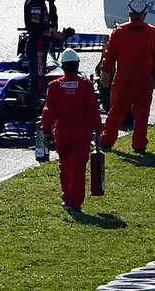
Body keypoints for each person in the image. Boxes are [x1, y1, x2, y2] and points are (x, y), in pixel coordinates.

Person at [98, 0, 155, 153]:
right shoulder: (153, 32)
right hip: (144, 78)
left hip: (123, 77)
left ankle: (107, 142)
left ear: (129, 13)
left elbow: (109, 56)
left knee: (116, 111)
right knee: (141, 114)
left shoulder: (119, 31)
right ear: (144, 14)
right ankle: (139, 145)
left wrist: (104, 76)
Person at [40, 48, 102, 214]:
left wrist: (46, 131)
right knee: (78, 168)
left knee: (65, 165)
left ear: (63, 66)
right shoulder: (85, 85)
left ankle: (67, 198)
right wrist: (98, 131)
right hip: (81, 132)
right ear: (77, 65)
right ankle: (75, 203)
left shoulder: (54, 86)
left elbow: (48, 111)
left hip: (62, 132)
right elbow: (93, 111)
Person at [24, 0, 75, 110]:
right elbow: (34, 29)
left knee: (40, 75)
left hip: (41, 43)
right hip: (37, 44)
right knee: (38, 76)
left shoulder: (41, 1)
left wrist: (52, 4)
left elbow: (51, 22)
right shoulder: (35, 3)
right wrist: (53, 35)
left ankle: (35, 103)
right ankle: (32, 106)